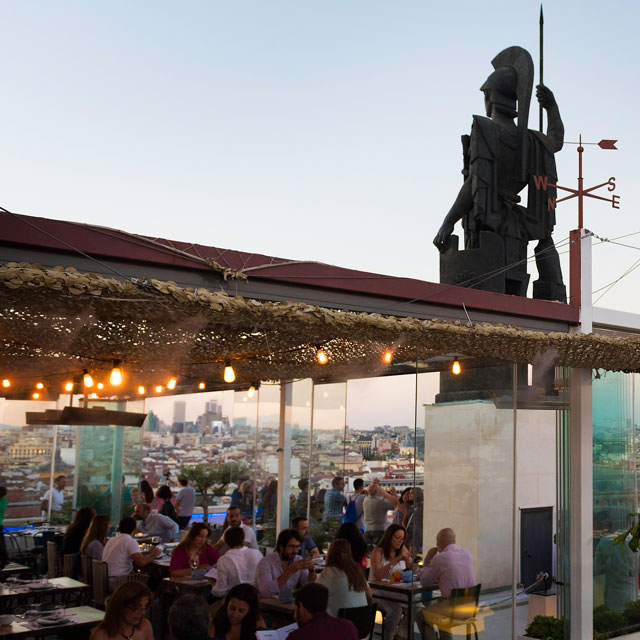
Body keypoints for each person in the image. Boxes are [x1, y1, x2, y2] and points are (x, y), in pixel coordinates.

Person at [433, 47, 566, 304]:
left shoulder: (485, 130)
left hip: (488, 228)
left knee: (480, 303)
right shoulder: (530, 141)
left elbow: (475, 181)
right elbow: (556, 141)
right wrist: (552, 107)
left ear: (490, 96)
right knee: (515, 299)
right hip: (517, 231)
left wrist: (449, 220)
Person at [419, 528, 475, 640]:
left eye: (437, 540)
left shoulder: (440, 558)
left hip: (451, 610)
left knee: (421, 615)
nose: (436, 544)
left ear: (440, 541)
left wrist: (426, 561)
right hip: (469, 608)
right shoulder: (467, 554)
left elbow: (425, 582)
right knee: (441, 611)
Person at [371, 525, 413, 640]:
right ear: (389, 537)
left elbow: (411, 567)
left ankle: (399, 634)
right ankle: (389, 637)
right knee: (396, 609)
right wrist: (397, 559)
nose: (400, 540)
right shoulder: (378, 552)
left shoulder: (401, 548)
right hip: (378, 591)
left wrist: (408, 556)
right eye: (397, 537)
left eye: (403, 538)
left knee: (415, 606)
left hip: (396, 591)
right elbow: (378, 575)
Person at [255, 528, 316, 598]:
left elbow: (307, 585)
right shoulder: (265, 563)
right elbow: (266, 592)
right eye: (291, 547)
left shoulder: (298, 559)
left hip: (289, 605)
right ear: (281, 547)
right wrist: (289, 571)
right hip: (268, 605)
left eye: (297, 547)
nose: (295, 551)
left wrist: (311, 570)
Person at [317, 538, 370, 616]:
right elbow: (369, 593)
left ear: (330, 553)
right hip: (361, 623)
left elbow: (315, 594)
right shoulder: (357, 571)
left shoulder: (329, 572)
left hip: (339, 624)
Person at [286, 583, 358, 640]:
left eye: (296, 610)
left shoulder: (297, 636)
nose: (294, 616)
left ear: (301, 607)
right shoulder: (348, 627)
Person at [211, 526, 263, 598]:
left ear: (226, 542)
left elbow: (220, 592)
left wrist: (213, 585)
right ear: (243, 539)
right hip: (257, 599)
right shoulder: (257, 553)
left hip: (234, 600)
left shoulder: (224, 560)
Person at [363, 479, 398, 547]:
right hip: (379, 530)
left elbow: (371, 490)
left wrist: (374, 484)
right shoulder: (380, 501)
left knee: (370, 552)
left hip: (367, 530)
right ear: (377, 491)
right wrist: (391, 493)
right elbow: (395, 503)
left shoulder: (365, 500)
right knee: (379, 551)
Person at [0, 487, 8, 569]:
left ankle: (4, 559)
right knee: (2, 544)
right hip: (0, 524)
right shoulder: (5, 501)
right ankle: (5, 559)